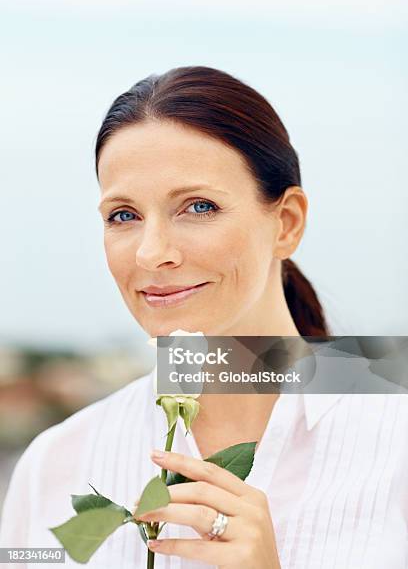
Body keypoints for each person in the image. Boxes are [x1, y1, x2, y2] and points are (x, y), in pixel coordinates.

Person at [1, 66, 407, 568]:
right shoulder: (56, 463)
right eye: (123, 215)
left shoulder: (395, 424)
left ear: (287, 222)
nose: (151, 254)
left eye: (198, 206)